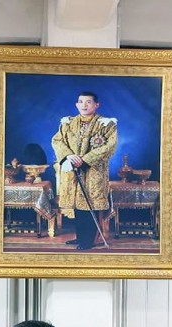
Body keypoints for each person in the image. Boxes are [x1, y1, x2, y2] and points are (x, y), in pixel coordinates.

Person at [51, 92, 118, 250]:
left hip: (93, 171)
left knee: (89, 205)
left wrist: (86, 159)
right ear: (76, 105)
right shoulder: (68, 123)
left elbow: (110, 146)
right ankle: (81, 237)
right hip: (72, 169)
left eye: (88, 102)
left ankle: (88, 241)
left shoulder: (106, 124)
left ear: (96, 105)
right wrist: (68, 156)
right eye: (81, 102)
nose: (84, 105)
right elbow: (57, 141)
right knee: (77, 205)